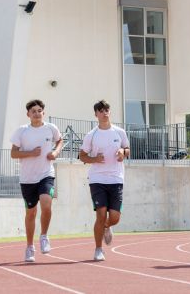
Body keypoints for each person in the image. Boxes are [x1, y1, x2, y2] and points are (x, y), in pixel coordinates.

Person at [10, 99, 63, 263]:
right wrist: (30, 153)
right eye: (33, 111)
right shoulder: (22, 131)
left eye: (39, 110)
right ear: (28, 114)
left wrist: (55, 152)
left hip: (46, 174)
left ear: (43, 113)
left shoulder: (51, 128)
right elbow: (13, 154)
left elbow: (60, 141)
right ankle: (29, 247)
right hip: (27, 179)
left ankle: (44, 236)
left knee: (46, 204)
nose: (37, 113)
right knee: (31, 213)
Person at [79, 100, 130, 261]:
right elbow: (82, 155)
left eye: (106, 109)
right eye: (100, 110)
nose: (104, 112)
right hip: (97, 179)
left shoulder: (119, 132)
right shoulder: (91, 135)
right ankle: (98, 249)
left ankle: (106, 227)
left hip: (116, 179)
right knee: (100, 214)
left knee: (114, 217)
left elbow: (127, 149)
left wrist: (123, 151)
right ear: (96, 114)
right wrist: (94, 159)